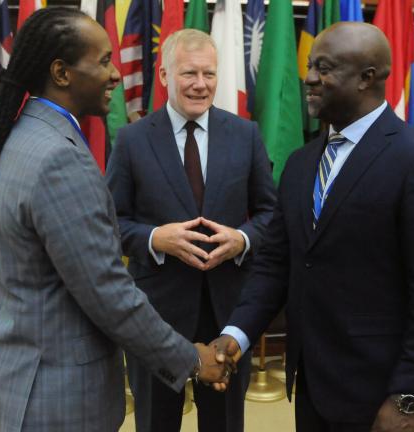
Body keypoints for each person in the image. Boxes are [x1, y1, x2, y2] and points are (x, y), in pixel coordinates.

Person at [0, 9, 230, 432]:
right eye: (104, 61)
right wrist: (191, 359)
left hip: (25, 383)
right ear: (62, 72)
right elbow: (107, 292)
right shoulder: (59, 159)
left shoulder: (25, 135)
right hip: (59, 399)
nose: (114, 75)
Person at [212, 22, 414, 432]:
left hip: (387, 392)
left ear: (368, 77)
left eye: (325, 68)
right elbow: (278, 263)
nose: (309, 77)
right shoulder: (300, 163)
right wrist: (236, 333)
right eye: (312, 65)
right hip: (316, 381)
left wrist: (408, 397)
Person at [106, 29, 276, 432]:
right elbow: (110, 222)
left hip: (227, 315)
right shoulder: (132, 140)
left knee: (224, 423)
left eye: (209, 74)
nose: (201, 84)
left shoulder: (246, 135)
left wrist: (244, 239)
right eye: (189, 73)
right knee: (156, 422)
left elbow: (272, 214)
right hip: (156, 316)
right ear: (164, 76)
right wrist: (153, 239)